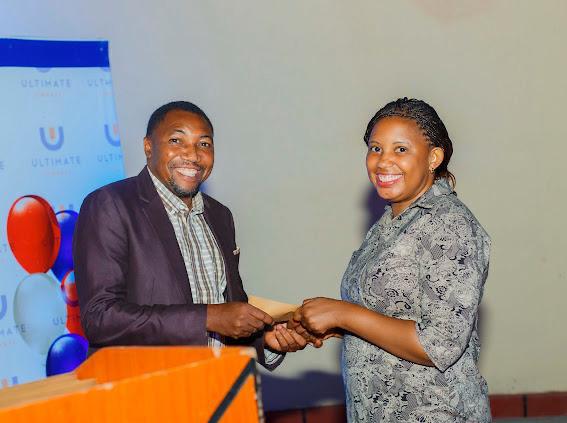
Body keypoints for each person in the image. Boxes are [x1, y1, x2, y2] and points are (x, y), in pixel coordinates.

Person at [292, 98, 491, 421]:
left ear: (433, 157)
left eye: (400, 149)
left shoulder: (449, 224)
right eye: (376, 149)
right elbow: (390, 315)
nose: (384, 161)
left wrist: (344, 314)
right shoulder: (392, 222)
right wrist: (337, 325)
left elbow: (439, 344)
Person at [74, 101, 310, 369]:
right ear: (148, 147)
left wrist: (264, 340)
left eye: (204, 144)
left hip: (220, 383)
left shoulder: (220, 215)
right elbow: (100, 317)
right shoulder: (110, 205)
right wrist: (208, 317)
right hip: (147, 387)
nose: (193, 155)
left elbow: (227, 311)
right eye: (176, 140)